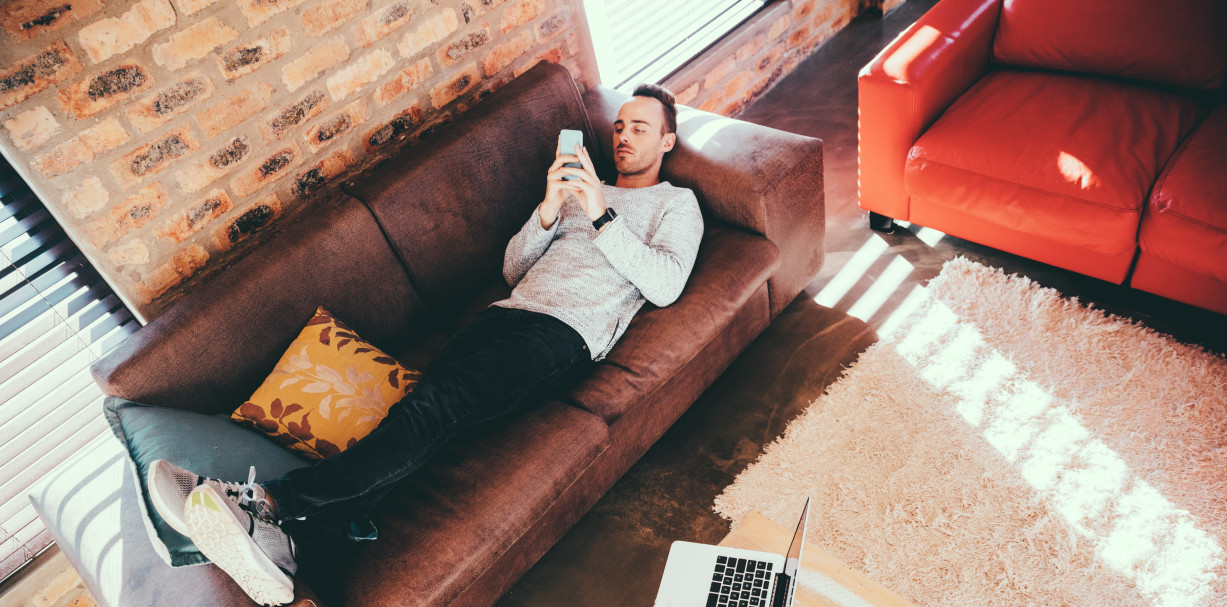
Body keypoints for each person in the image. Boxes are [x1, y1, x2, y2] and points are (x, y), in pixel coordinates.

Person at [145, 83, 704, 606]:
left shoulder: (674, 205)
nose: (625, 136)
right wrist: (551, 208)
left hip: (563, 333)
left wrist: (601, 216)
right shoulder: (584, 191)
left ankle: (271, 505)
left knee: (436, 407)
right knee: (418, 414)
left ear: (667, 140)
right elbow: (514, 269)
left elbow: (665, 285)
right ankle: (298, 548)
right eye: (621, 126)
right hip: (505, 316)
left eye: (640, 128)